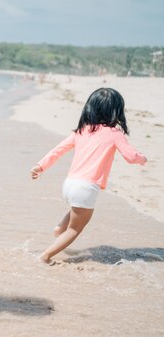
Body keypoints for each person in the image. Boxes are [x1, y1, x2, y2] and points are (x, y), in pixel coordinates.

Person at [31, 87, 147, 263]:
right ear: (116, 111)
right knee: (75, 229)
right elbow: (131, 157)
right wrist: (142, 158)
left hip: (69, 184)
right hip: (86, 187)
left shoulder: (82, 130)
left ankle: (59, 230)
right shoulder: (114, 133)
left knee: (75, 211)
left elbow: (58, 150)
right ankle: (45, 256)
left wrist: (40, 166)